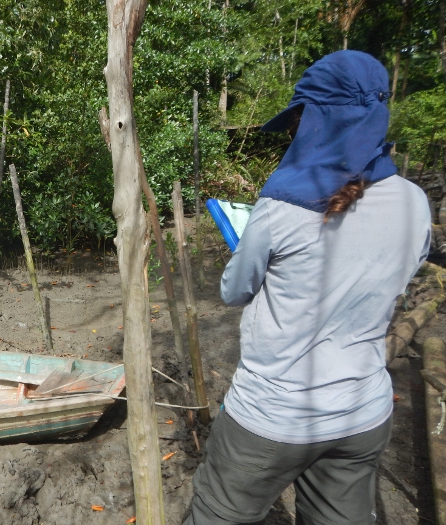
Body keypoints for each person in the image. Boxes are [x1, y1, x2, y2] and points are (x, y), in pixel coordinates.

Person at [185, 50, 431, 525]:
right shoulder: (415, 203)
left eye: (300, 119)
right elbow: (398, 275)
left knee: (217, 515)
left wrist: (249, 249)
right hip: (362, 413)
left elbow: (235, 291)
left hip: (274, 414)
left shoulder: (282, 203)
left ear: (320, 119)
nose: (295, 133)